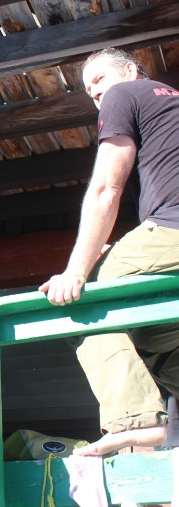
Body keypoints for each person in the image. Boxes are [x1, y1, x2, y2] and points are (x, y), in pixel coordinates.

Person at [39, 48, 179, 456]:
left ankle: (134, 422)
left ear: (131, 70)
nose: (95, 94)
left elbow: (106, 188)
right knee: (159, 336)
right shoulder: (168, 107)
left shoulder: (126, 94)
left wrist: (77, 270)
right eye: (88, 90)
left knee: (87, 301)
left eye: (98, 80)